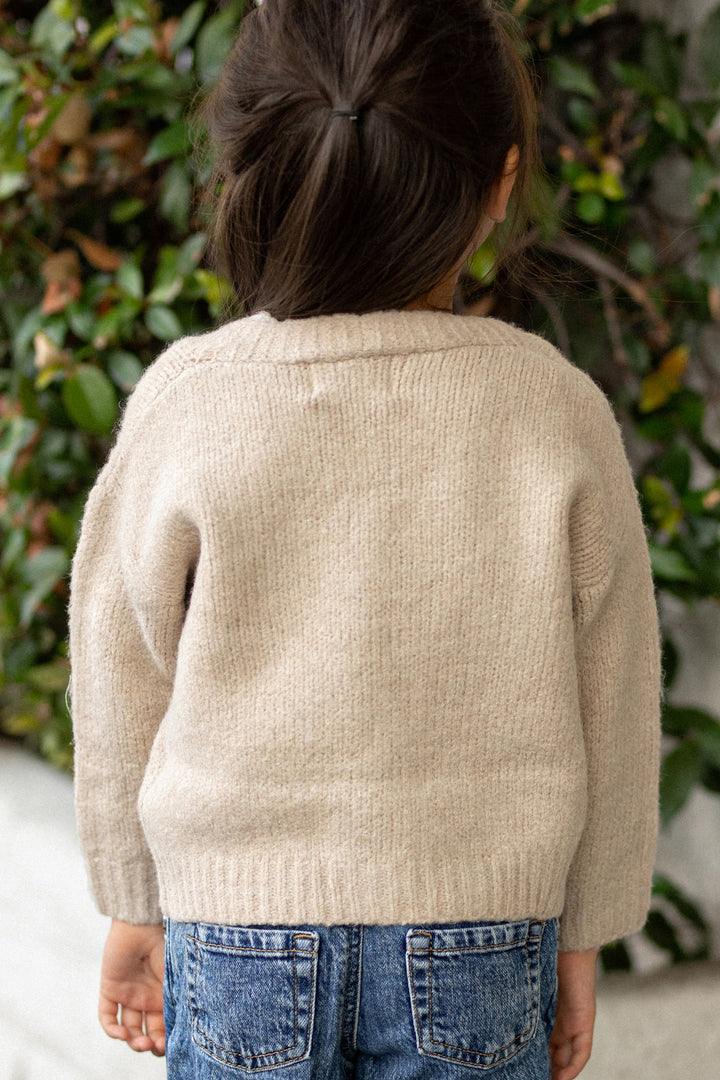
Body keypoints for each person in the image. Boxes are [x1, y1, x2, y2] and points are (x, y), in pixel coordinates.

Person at [68, 1, 662, 1078]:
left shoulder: (189, 399)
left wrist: (132, 896)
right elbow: (612, 687)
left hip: (236, 931)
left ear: (246, 168)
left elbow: (120, 673)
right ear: (498, 184)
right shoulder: (554, 407)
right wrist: (586, 926)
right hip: (483, 932)